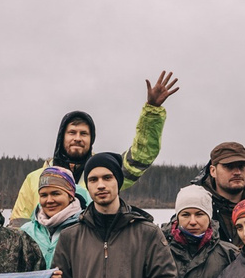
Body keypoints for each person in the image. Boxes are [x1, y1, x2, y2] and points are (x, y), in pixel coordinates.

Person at [10, 74, 179, 221]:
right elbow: (19, 223)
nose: (77, 138)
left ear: (91, 140)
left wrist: (152, 112)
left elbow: (141, 155)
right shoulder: (34, 179)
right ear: (62, 137)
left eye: (84, 134)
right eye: (72, 133)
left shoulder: (103, 173)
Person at [20, 166, 84, 268]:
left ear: (71, 196)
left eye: (56, 194)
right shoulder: (26, 231)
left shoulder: (84, 228)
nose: (49, 200)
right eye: (44, 195)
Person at [196, 141, 245, 220]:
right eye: (229, 166)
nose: (237, 172)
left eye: (241, 166)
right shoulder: (197, 210)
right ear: (213, 171)